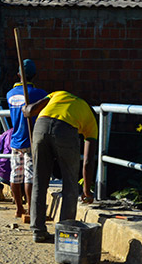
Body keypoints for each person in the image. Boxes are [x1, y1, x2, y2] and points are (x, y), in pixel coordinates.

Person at [23, 91, 98, 243]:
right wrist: (86, 191)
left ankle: (38, 231)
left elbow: (30, 111)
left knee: (39, 180)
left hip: (41, 126)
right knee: (70, 184)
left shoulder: (58, 94)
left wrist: (25, 109)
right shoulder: (91, 120)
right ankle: (65, 233)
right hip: (66, 131)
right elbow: (88, 161)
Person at [6, 59, 48, 218]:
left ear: (18, 74)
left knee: (15, 175)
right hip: (31, 139)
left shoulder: (10, 94)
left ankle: (18, 208)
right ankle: (30, 208)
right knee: (29, 176)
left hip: (16, 139)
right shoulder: (40, 94)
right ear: (35, 75)